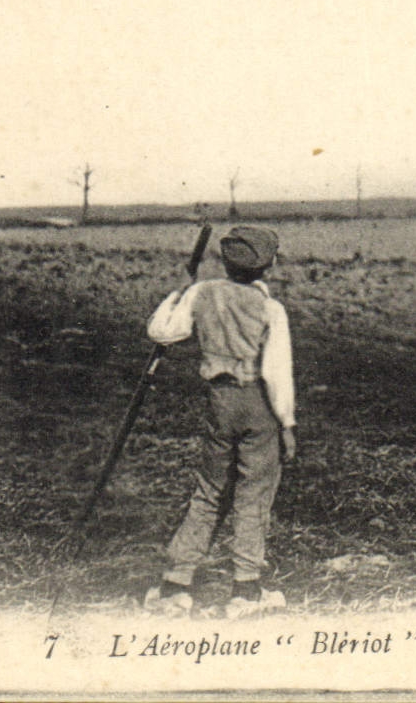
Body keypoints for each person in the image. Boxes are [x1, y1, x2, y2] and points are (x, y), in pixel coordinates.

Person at [142, 226, 296, 616]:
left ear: (226, 261)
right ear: (269, 264)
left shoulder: (201, 292)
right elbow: (277, 372)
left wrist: (177, 292)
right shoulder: (270, 309)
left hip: (218, 404)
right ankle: (246, 591)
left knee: (209, 491)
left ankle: (175, 585)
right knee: (253, 495)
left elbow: (162, 331)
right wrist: (287, 423)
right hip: (257, 405)